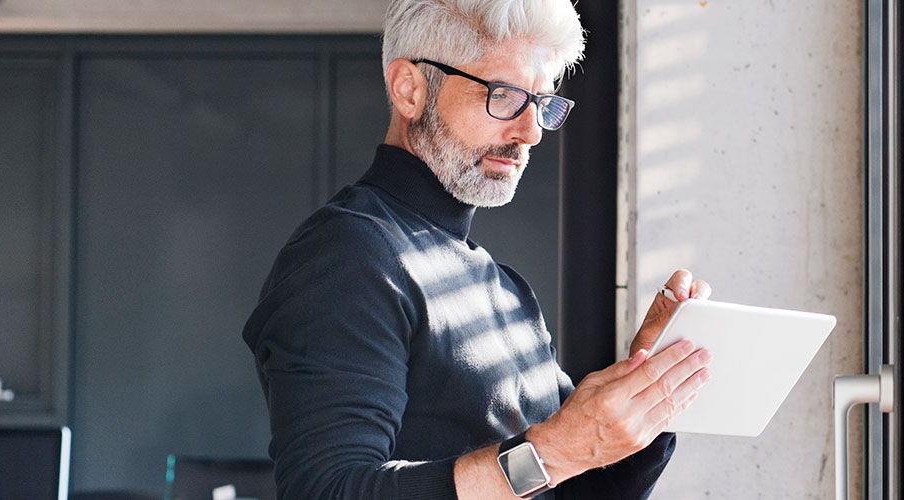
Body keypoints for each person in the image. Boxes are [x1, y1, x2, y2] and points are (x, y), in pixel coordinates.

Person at [241, 1, 710, 497]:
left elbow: (570, 491)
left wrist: (647, 385)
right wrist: (555, 450)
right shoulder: (350, 255)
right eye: (505, 95)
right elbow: (329, 491)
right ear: (410, 89)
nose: (529, 132)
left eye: (542, 103)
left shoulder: (507, 290)